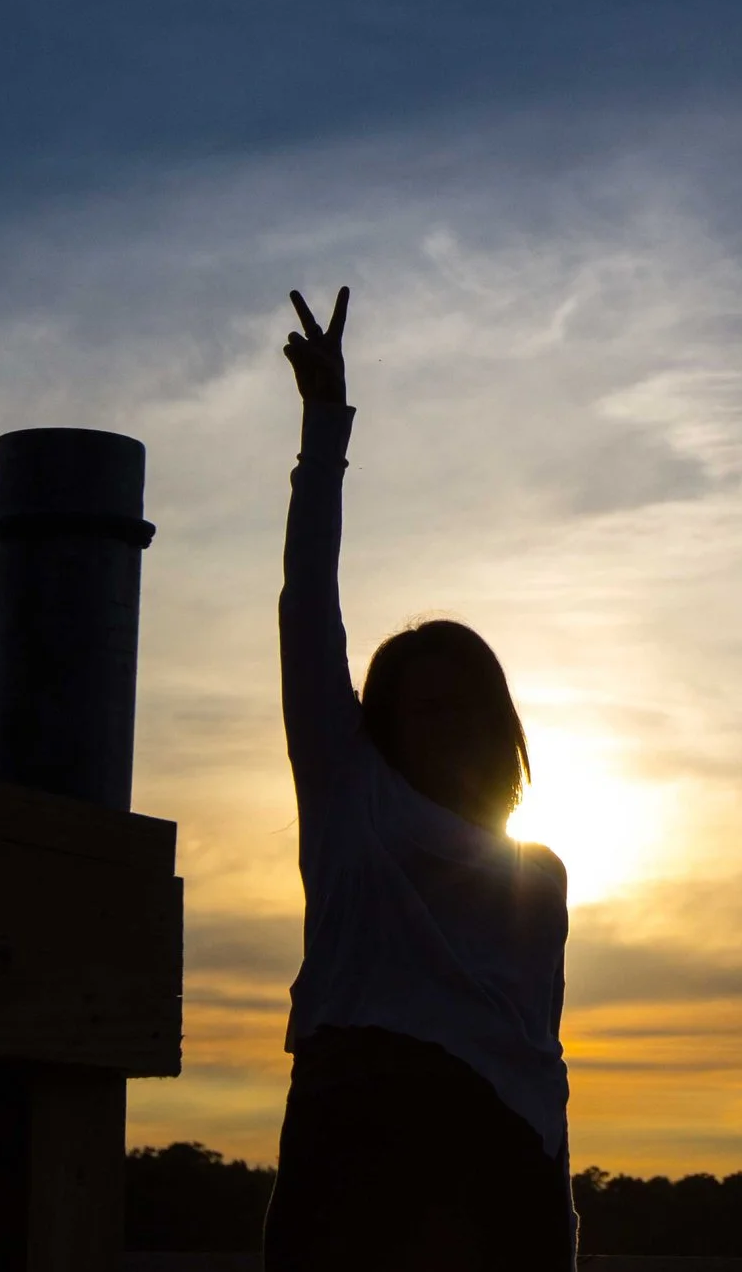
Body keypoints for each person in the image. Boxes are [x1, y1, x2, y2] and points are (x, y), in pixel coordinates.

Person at [264, 286, 574, 1272]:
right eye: (429, 708)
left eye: (474, 706)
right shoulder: (353, 796)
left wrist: (557, 1226)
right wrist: (324, 430)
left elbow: (539, 1061)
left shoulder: (542, 875)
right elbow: (306, 608)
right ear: (385, 727)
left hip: (502, 1158)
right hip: (362, 1131)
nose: (459, 729)